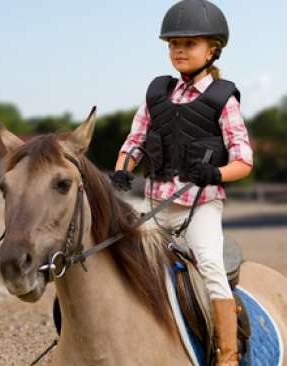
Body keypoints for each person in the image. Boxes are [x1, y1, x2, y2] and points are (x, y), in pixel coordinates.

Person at [109, 1, 253, 365]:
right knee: (111, 249)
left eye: (189, 44)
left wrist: (217, 174)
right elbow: (135, 141)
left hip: (200, 205)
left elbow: (244, 159)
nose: (179, 50)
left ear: (212, 49)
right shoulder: (157, 93)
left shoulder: (223, 99)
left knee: (210, 267)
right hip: (155, 205)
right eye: (174, 44)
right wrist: (124, 168)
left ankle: (228, 354)